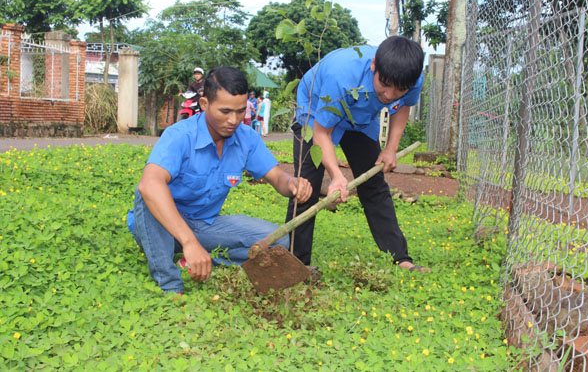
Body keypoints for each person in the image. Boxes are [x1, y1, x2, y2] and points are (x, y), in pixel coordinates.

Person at [127, 67, 313, 294]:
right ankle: (170, 284)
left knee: (277, 242)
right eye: (225, 111)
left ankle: (200, 259)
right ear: (205, 104)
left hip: (203, 224)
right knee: (148, 194)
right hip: (160, 224)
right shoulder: (180, 136)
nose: (233, 120)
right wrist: (189, 242)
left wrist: (292, 183)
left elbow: (277, 177)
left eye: (240, 111)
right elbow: (150, 185)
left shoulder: (246, 138)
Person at [285, 36, 430, 273]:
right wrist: (336, 175)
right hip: (315, 112)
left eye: (399, 89)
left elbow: (403, 106)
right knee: (306, 187)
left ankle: (400, 258)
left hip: (360, 119)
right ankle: (295, 263)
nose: (390, 95)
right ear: (374, 65)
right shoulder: (341, 74)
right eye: (385, 84)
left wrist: (390, 149)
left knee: (374, 185)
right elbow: (322, 132)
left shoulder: (412, 77)